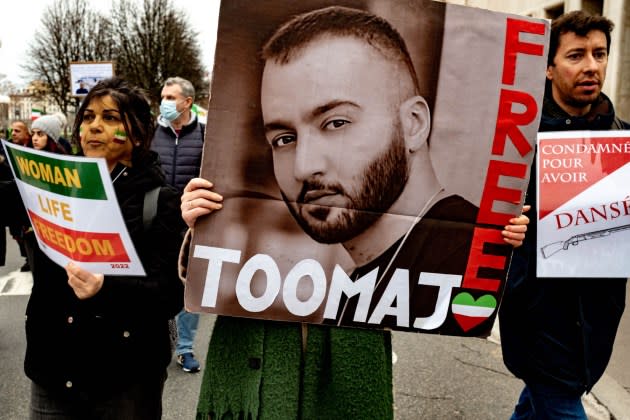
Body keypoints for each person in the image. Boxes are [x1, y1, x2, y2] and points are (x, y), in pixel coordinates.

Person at [181, 6, 529, 419]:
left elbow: (479, 307)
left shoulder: (456, 245)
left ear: (414, 123)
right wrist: (200, 228)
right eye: (284, 138)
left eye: (336, 122)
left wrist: (496, 246)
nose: (303, 166)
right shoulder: (358, 261)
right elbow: (203, 282)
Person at [3, 77, 185, 419]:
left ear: (138, 133)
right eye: (87, 118)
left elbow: (170, 296)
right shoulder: (50, 185)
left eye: (110, 118)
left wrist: (105, 289)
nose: (95, 127)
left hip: (124, 380)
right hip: (52, 372)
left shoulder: (159, 201)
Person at [499, 10, 629, 420]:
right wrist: (507, 227)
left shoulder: (621, 139)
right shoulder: (517, 142)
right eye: (576, 56)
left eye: (599, 53)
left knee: (539, 406)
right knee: (559, 403)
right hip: (538, 317)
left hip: (596, 319)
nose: (592, 65)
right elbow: (482, 216)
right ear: (549, 68)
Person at [151, 76, 205, 373]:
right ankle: (156, 341)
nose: (165, 103)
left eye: (171, 97)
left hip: (190, 228)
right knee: (155, 283)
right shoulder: (149, 134)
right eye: (163, 97)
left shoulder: (205, 135)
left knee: (188, 288)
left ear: (187, 102)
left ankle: (184, 348)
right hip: (155, 223)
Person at [8, 120, 32, 270]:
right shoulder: (8, 147)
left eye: (17, 131)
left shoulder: (32, 148)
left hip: (29, 198)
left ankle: (31, 258)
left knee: (28, 231)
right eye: (12, 131)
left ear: (26, 134)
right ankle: (26, 256)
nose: (13, 134)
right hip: (14, 197)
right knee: (16, 232)